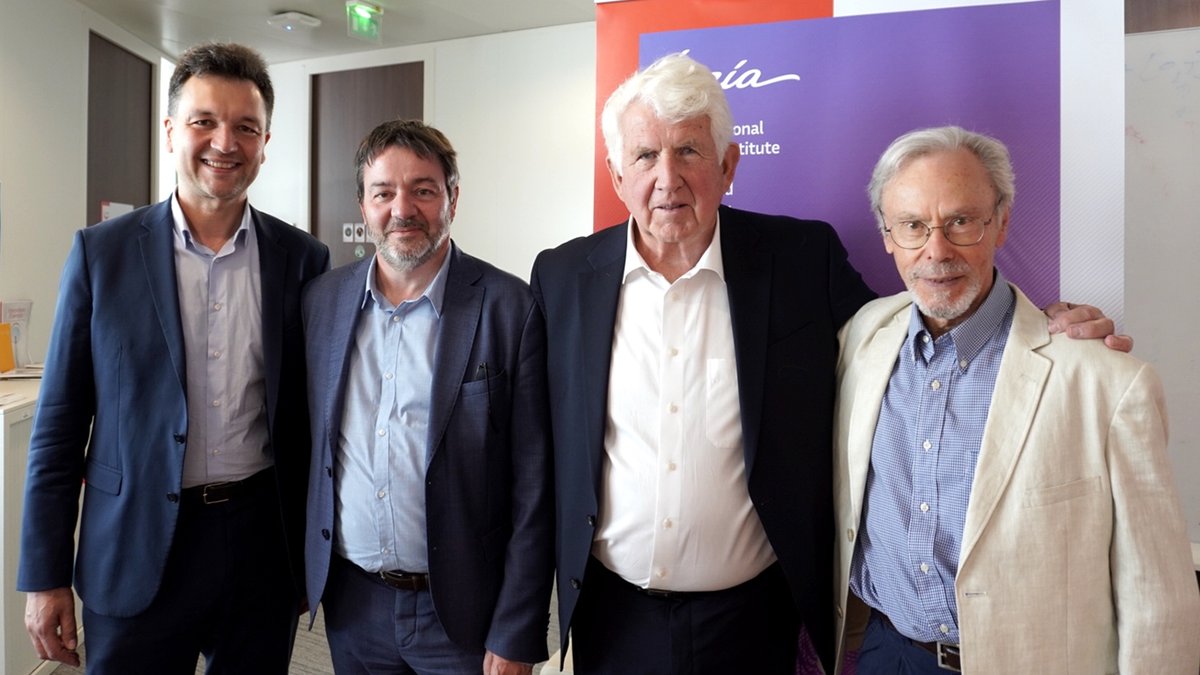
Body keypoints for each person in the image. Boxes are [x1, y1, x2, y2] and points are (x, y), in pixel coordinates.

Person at [531, 53, 1127, 675]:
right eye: (645, 156)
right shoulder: (563, 276)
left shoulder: (799, 257)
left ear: (729, 164)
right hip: (609, 614)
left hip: (755, 616)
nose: (667, 178)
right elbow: (533, 452)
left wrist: (1045, 327)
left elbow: (913, 335)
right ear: (615, 173)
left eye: (689, 151)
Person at [833, 126, 1200, 673]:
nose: (936, 251)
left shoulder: (1106, 382)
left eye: (961, 221)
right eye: (912, 226)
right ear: (887, 234)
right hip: (887, 654)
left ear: (1001, 222)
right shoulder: (863, 337)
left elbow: (1157, 596)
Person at [18, 42, 330, 673]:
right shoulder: (100, 256)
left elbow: (308, 423)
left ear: (266, 142)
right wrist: (44, 575)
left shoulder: (304, 261)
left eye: (247, 127)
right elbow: (58, 428)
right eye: (204, 122)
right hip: (133, 544)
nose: (226, 142)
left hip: (258, 545)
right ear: (170, 132)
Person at [302, 119, 554, 675]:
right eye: (383, 192)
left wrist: (517, 628)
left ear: (452, 199)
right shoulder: (321, 302)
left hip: (465, 613)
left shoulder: (509, 308)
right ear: (362, 205)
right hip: (354, 604)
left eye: (423, 189)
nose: (402, 209)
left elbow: (534, 486)